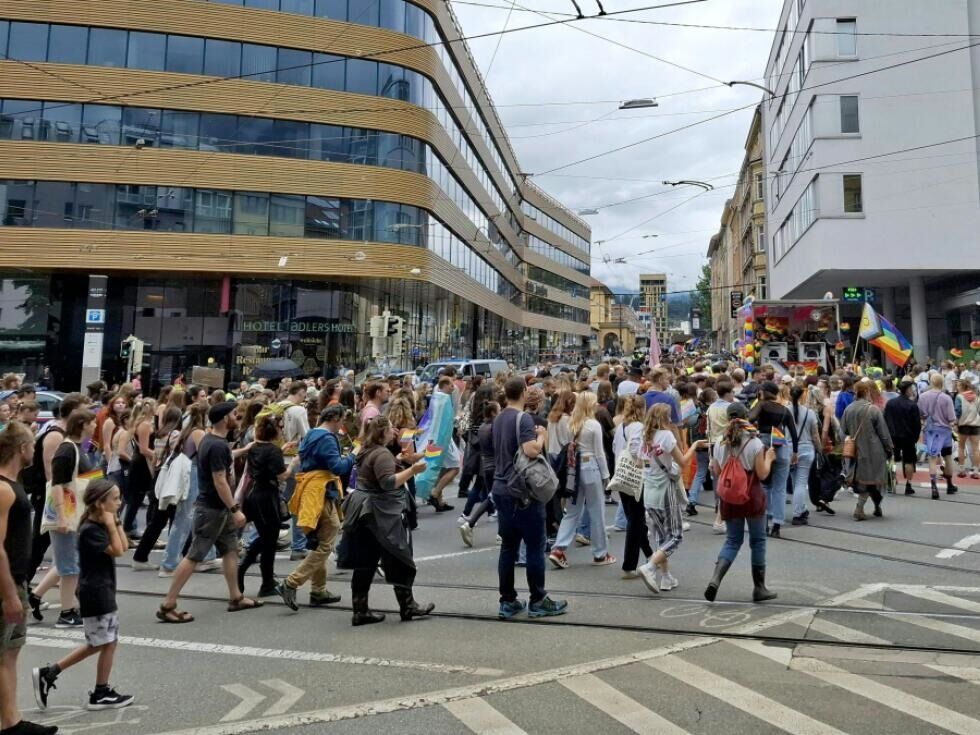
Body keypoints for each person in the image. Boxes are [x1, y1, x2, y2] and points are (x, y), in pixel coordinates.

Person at [32, 479, 132, 711]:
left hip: (102, 589)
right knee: (105, 642)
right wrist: (110, 523)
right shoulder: (90, 530)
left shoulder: (100, 523)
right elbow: (117, 551)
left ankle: (53, 674)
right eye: (115, 499)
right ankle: (99, 692)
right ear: (99, 503)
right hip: (95, 593)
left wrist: (114, 521)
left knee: (102, 642)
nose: (119, 502)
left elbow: (124, 546)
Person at [157, 402, 262, 623]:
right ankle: (168, 604)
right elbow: (220, 480)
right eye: (234, 414)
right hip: (213, 509)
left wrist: (243, 450)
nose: (238, 416)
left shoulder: (210, 440)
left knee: (230, 550)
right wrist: (235, 509)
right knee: (195, 554)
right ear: (225, 419)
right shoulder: (217, 445)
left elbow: (223, 466)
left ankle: (236, 596)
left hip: (217, 508)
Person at [339, 416, 432, 625]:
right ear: (382, 433)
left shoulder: (367, 449)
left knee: (365, 561)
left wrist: (397, 460)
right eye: (391, 428)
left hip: (363, 510)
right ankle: (408, 606)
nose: (395, 431)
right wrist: (412, 470)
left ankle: (360, 610)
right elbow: (388, 483)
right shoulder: (381, 453)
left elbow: (375, 474)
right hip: (379, 512)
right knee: (399, 556)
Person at [492, 377, 567, 619]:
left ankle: (508, 600)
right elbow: (530, 450)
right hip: (521, 490)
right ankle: (538, 599)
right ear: (524, 392)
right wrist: (542, 436)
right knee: (535, 544)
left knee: (508, 546)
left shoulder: (499, 417)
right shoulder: (522, 417)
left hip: (501, 486)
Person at [277, 405, 353, 610]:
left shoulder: (311, 434)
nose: (342, 425)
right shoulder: (327, 438)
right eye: (342, 420)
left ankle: (318, 590)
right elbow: (337, 467)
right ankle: (291, 582)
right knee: (326, 543)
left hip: (312, 490)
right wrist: (352, 458)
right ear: (335, 418)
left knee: (320, 541)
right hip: (322, 491)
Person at [704, 402, 777, 603]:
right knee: (758, 541)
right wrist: (769, 458)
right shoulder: (755, 443)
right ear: (746, 416)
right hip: (751, 496)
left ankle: (715, 579)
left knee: (732, 540)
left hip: (729, 498)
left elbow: (717, 472)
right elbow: (762, 474)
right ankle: (759, 587)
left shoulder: (720, 441)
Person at [32, 409, 98, 629]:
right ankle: (67, 613)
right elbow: (58, 485)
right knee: (70, 565)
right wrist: (62, 516)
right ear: (82, 425)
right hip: (68, 513)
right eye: (92, 423)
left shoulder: (76, 448)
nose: (95, 426)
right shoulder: (67, 449)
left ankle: (39, 597)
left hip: (74, 512)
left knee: (68, 562)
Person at [636, 404, 703, 594]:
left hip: (649, 490)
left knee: (660, 535)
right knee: (675, 535)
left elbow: (640, 461)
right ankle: (650, 567)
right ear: (666, 419)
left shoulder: (644, 436)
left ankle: (666, 578)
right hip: (664, 490)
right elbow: (682, 462)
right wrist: (695, 446)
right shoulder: (666, 436)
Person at [547, 392, 615, 569]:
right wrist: (606, 476)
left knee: (572, 511)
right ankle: (600, 553)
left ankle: (559, 548)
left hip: (574, 469)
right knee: (596, 510)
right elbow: (600, 454)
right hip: (591, 467)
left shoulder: (572, 423)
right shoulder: (593, 425)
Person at [238, 414, 291, 598]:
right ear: (274, 431)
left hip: (254, 494)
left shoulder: (255, 447)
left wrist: (281, 450)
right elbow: (282, 475)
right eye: (280, 427)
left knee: (266, 536)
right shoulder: (273, 451)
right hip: (267, 496)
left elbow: (265, 462)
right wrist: (295, 464)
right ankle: (259, 576)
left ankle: (263, 578)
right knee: (270, 537)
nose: (282, 430)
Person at [747, 381, 798, 539]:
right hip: (781, 445)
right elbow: (794, 433)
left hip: (763, 445)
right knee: (780, 488)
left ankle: (765, 519)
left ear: (763, 392)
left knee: (764, 484)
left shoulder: (762, 405)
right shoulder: (784, 410)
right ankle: (777, 524)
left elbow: (750, 418)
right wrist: (795, 452)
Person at [842, 381, 895, 519]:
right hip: (874, 451)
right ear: (867, 392)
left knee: (864, 480)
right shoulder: (873, 409)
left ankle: (875, 507)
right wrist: (889, 447)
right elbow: (883, 432)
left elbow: (844, 430)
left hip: (856, 450)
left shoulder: (848, 409)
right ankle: (861, 508)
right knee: (874, 480)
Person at [611, 396, 651, 580]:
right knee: (636, 520)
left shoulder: (621, 426)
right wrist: (644, 461)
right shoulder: (638, 427)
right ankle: (629, 565)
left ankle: (650, 555)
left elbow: (614, 448)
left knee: (635, 518)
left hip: (622, 473)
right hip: (635, 476)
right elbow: (635, 450)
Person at [459, 401, 499, 547]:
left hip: (486, 466)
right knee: (496, 498)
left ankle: (470, 522)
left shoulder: (482, 427)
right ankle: (471, 523)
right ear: (493, 413)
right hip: (496, 466)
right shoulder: (493, 428)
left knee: (491, 497)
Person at [918, 372, 958, 498]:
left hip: (930, 430)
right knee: (947, 457)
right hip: (944, 431)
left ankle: (934, 486)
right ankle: (950, 484)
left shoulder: (923, 396)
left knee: (932, 459)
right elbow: (952, 418)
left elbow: (920, 414)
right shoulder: (946, 398)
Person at [789, 384, 820, 526]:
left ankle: (801, 508)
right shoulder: (809, 413)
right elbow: (815, 434)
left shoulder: (784, 411)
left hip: (789, 449)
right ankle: (798, 513)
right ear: (803, 396)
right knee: (801, 482)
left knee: (796, 482)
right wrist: (820, 449)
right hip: (806, 448)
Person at [884, 380, 922, 495]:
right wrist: (915, 438)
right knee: (909, 461)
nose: (912, 391)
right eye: (911, 389)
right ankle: (908, 484)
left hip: (893, 436)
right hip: (908, 437)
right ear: (907, 390)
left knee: (891, 459)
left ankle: (891, 480)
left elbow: (885, 420)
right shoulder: (912, 405)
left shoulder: (890, 403)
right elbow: (917, 424)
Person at [954, 379, 980, 479]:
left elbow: (957, 412)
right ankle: (976, 471)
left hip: (963, 424)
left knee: (961, 447)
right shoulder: (977, 397)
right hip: (976, 424)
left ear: (962, 387)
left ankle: (961, 470)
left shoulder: (959, 397)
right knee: (976, 448)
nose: (957, 387)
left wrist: (955, 423)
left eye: (958, 386)